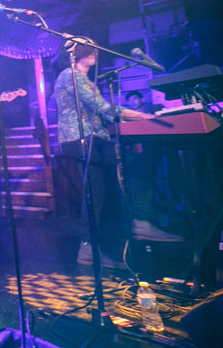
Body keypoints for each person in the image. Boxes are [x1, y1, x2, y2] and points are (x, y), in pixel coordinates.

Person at [53, 42, 171, 270]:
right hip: (84, 139)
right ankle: (141, 220)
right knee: (128, 170)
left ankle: (91, 248)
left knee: (97, 193)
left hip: (91, 138)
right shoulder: (71, 75)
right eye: (91, 48)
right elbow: (102, 107)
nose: (96, 51)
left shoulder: (79, 77)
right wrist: (145, 117)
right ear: (80, 54)